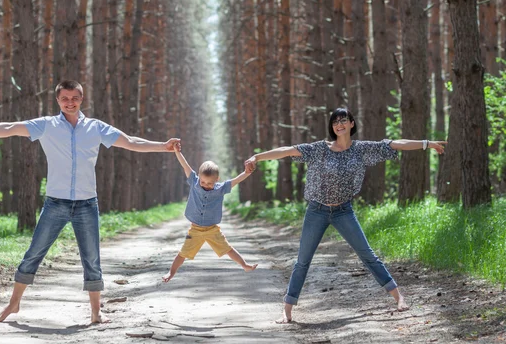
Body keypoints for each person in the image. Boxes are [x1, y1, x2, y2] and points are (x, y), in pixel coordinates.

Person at [0, 80, 180, 324]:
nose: (70, 102)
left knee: (91, 257)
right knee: (34, 253)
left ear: (82, 99)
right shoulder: (46, 126)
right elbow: (9, 128)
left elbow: (131, 142)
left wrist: (164, 147)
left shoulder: (96, 128)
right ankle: (13, 304)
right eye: (65, 98)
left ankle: (96, 312)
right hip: (55, 204)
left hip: (87, 204)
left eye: (74, 98)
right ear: (57, 100)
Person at [244, 108, 446, 323]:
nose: (339, 124)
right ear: (332, 127)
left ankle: (398, 298)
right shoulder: (318, 149)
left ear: (351, 123)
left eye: (343, 120)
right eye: (335, 122)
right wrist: (257, 157)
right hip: (317, 211)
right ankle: (287, 311)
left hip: (343, 211)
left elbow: (394, 144)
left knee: (367, 254)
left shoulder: (361, 149)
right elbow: (286, 151)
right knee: (302, 261)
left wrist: (427, 143)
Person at [162, 143, 258, 282]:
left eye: (210, 183)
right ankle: (171, 273)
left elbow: (236, 180)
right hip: (195, 230)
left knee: (228, 248)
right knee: (182, 253)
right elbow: (185, 165)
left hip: (213, 230)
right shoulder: (194, 182)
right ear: (199, 177)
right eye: (203, 182)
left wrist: (247, 172)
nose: (206, 185)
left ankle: (245, 265)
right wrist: (177, 152)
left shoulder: (221, 188)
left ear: (217, 180)